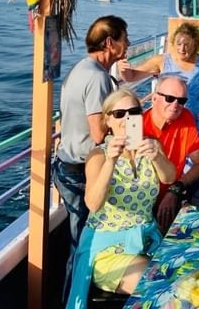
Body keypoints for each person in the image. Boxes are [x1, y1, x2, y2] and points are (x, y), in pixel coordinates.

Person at [66, 89, 176, 309]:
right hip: (108, 250)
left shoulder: (151, 146)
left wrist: (156, 156)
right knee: (159, 285)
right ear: (108, 120)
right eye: (119, 114)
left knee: (187, 272)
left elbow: (170, 177)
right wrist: (111, 161)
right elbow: (93, 204)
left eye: (133, 112)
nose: (127, 119)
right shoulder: (98, 155)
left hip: (146, 240)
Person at [52, 15, 129, 300]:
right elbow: (98, 134)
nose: (128, 43)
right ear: (110, 42)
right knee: (83, 244)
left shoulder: (82, 69)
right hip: (80, 172)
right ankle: (72, 300)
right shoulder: (97, 77)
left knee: (80, 241)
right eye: (124, 38)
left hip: (66, 164)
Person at [120, 22, 199, 154]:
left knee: (198, 159)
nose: (182, 49)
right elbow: (131, 77)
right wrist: (123, 70)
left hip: (197, 120)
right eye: (178, 44)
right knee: (170, 156)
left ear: (195, 44)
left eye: (186, 44)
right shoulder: (163, 61)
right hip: (170, 121)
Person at [143, 75, 199, 231]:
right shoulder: (139, 126)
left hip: (174, 194)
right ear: (154, 98)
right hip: (144, 204)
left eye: (181, 101)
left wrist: (176, 189)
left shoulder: (185, 116)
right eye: (169, 98)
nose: (175, 105)